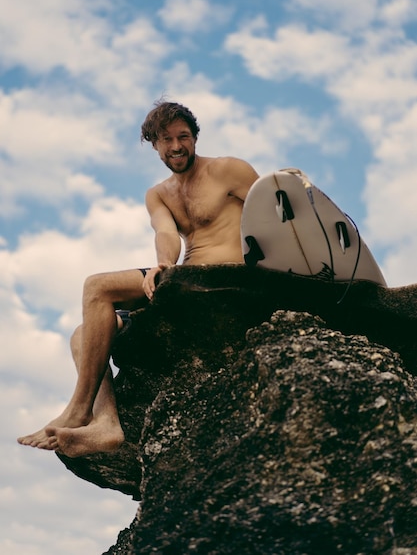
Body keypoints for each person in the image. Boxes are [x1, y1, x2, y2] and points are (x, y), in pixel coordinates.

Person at [17, 101, 259, 457]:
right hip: (180, 281)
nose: (176, 146)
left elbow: (274, 212)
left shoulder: (228, 170)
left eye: (183, 136)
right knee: (84, 335)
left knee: (96, 285)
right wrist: (163, 265)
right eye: (166, 139)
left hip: (225, 280)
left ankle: (77, 410)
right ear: (154, 145)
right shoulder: (159, 194)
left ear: (195, 138)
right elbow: (166, 233)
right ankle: (106, 425)